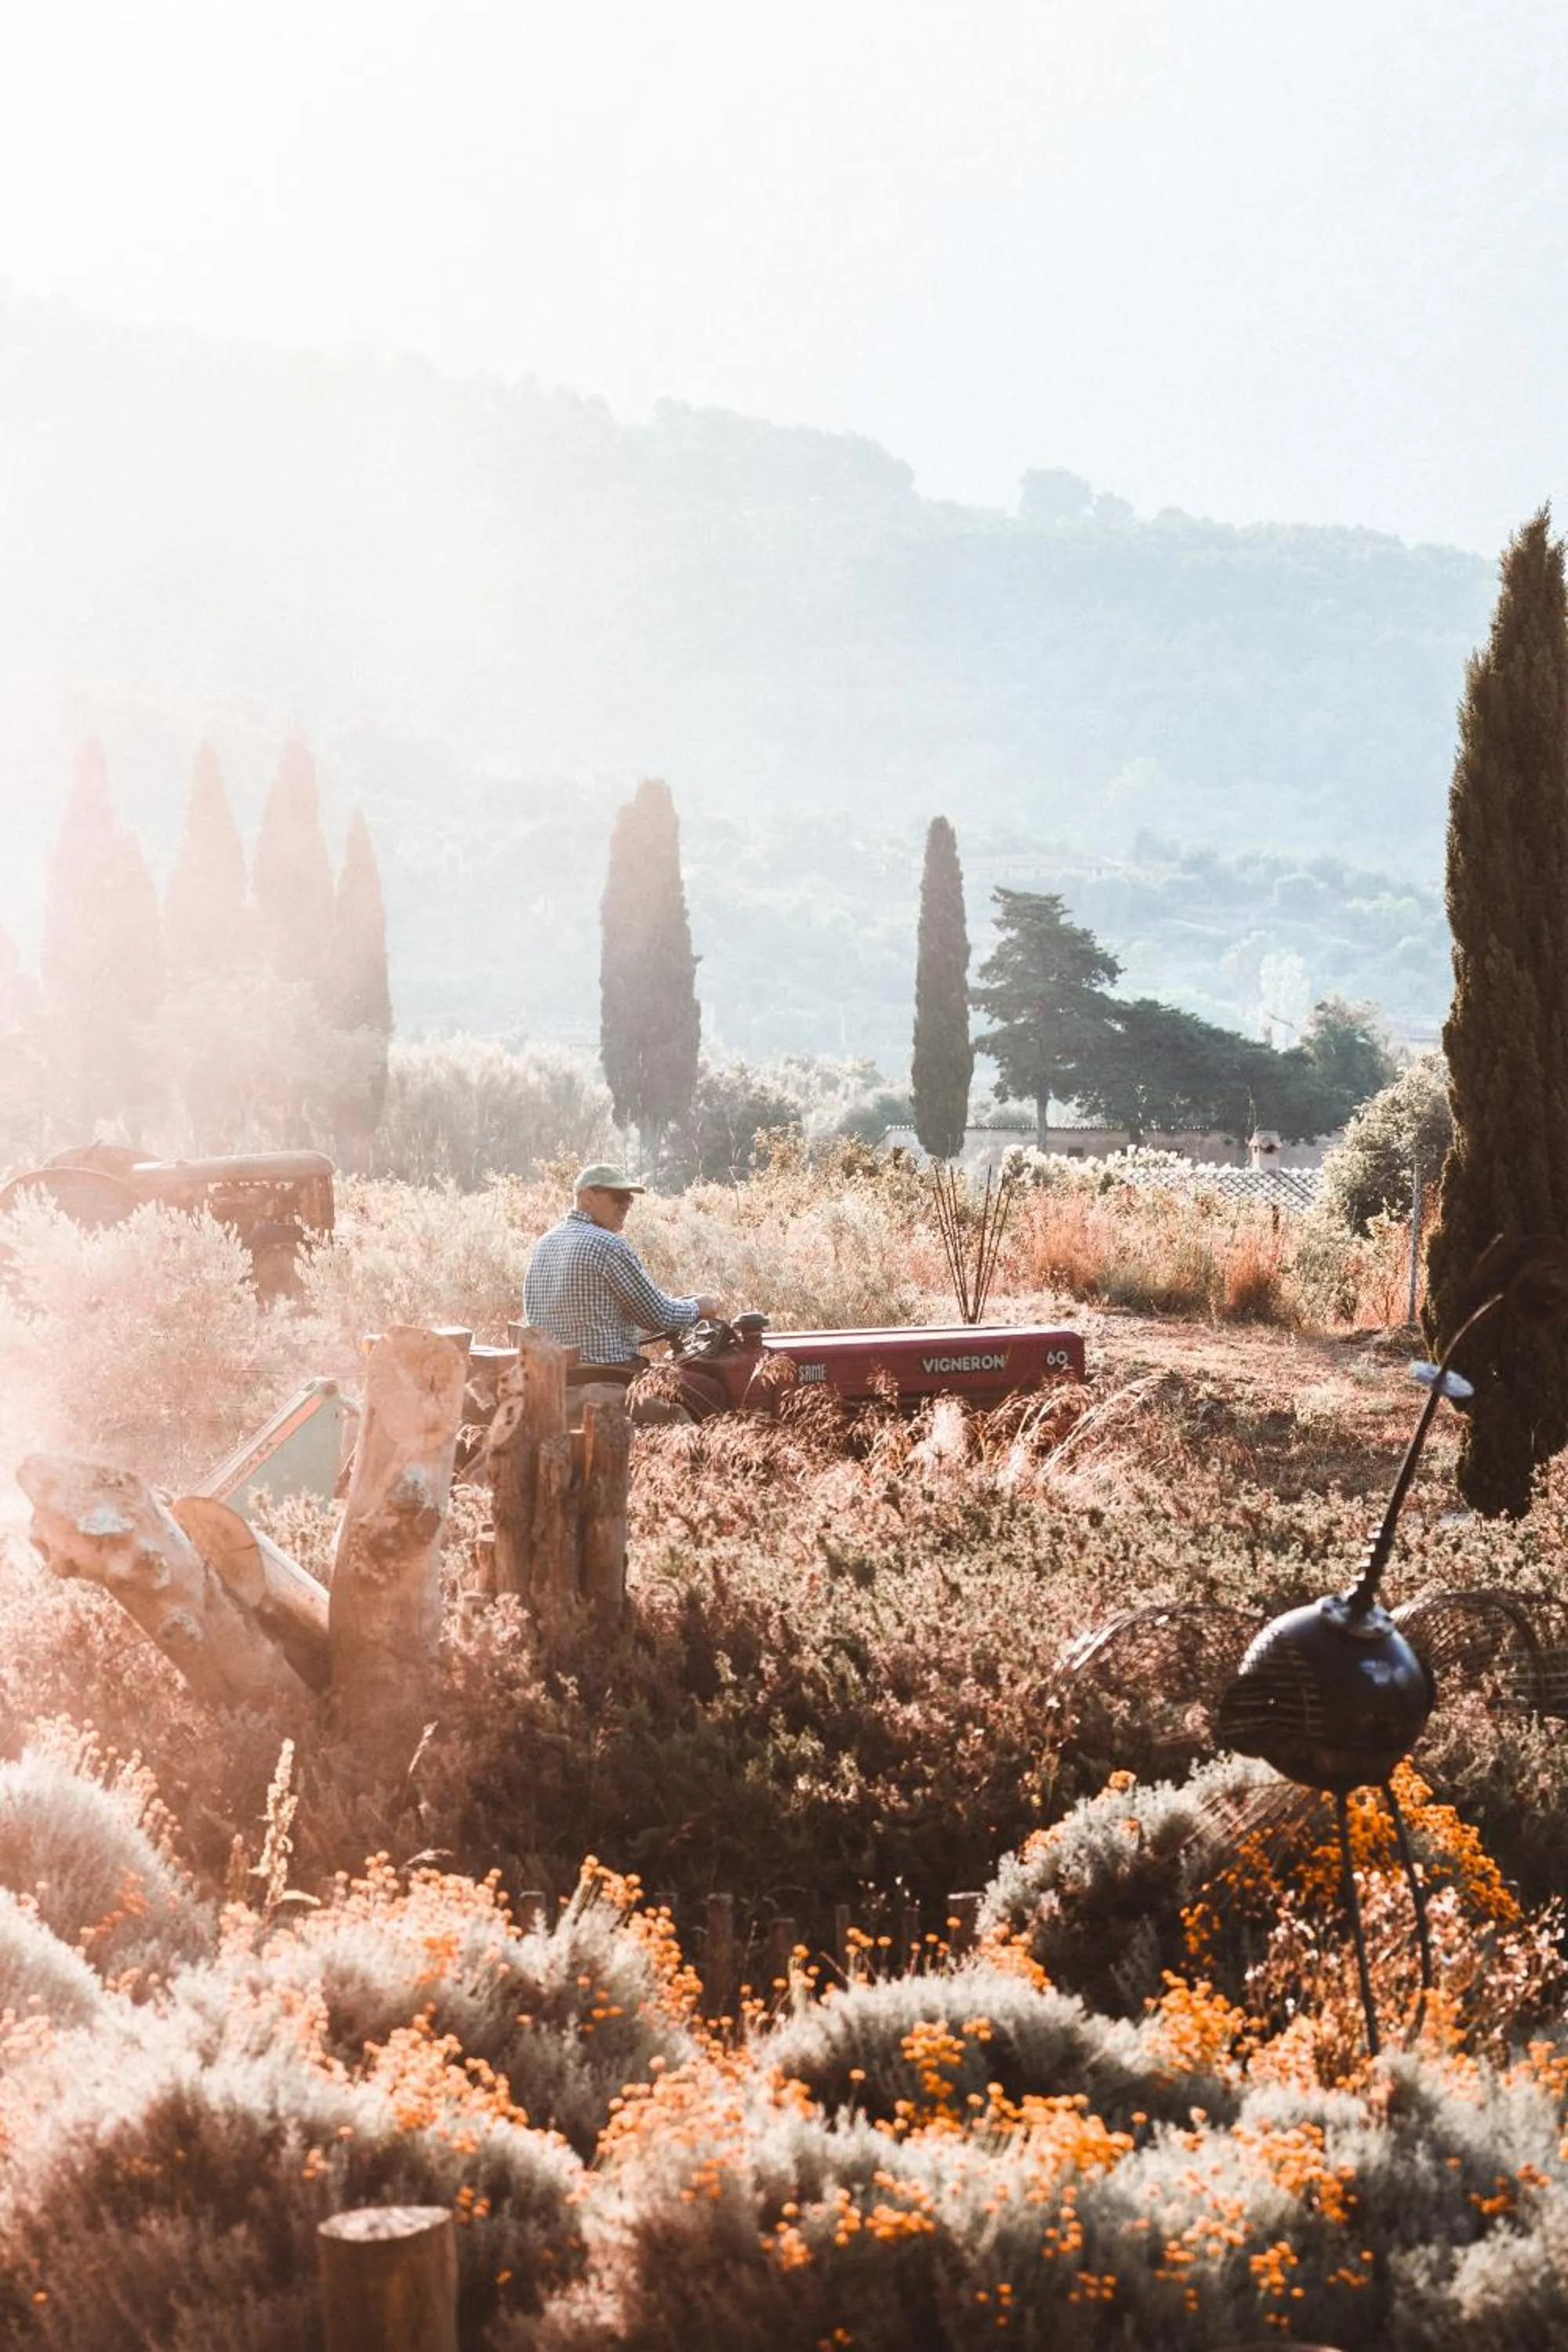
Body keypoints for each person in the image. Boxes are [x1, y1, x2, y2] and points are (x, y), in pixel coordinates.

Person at [523, 1163, 721, 1374]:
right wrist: (698, 1307)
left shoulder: (544, 1243)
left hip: (555, 1373)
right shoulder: (607, 1244)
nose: (626, 1205)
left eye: (629, 1198)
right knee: (710, 1390)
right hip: (607, 1374)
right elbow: (658, 1315)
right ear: (587, 1197)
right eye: (618, 1197)